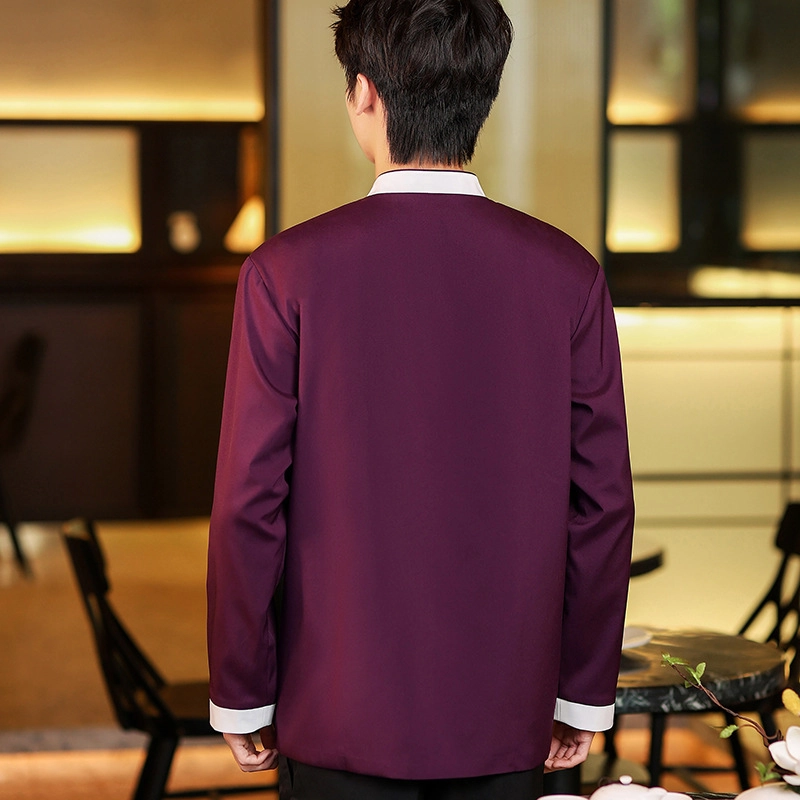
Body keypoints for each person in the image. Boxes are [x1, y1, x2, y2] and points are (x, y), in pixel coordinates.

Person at [206, 1, 635, 798]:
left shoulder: (284, 273)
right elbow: (601, 502)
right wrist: (582, 689)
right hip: (508, 710)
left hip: (335, 708)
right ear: (486, 95)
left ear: (363, 93)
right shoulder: (569, 275)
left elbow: (248, 503)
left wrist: (242, 690)